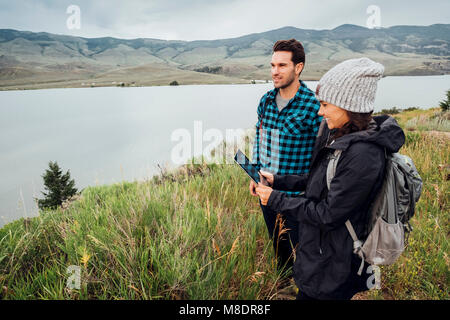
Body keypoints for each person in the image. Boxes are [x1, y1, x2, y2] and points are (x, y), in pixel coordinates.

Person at [255, 57, 406, 300]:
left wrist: (276, 199)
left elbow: (328, 214)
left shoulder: (363, 154)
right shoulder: (340, 135)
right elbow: (320, 181)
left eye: (325, 104)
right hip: (321, 253)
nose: (319, 111)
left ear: (348, 105)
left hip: (333, 263)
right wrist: (278, 181)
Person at [249, 39, 321, 277]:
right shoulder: (266, 101)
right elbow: (261, 139)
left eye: (281, 65)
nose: (274, 72)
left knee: (304, 253)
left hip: (297, 199)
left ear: (298, 67)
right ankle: (283, 285)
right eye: (272, 65)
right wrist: (255, 173)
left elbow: (322, 157)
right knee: (279, 248)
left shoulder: (313, 106)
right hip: (267, 193)